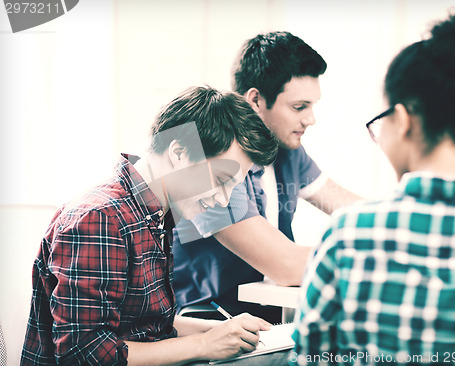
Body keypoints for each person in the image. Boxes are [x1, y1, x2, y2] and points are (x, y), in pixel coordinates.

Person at [21, 86, 292, 365]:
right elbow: (85, 353)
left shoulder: (155, 215)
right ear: (179, 152)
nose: (224, 199)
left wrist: (222, 332)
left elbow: (147, 329)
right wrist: (204, 344)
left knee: (287, 354)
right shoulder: (99, 218)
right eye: (221, 180)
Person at [290, 13, 455, 365]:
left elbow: (311, 357)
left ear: (402, 121)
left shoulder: (348, 236)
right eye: (301, 107)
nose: (310, 119)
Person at [172, 32, 360, 321]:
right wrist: (378, 249)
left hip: (268, 319)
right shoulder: (216, 162)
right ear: (256, 100)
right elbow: (285, 265)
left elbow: (353, 209)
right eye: (299, 107)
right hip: (212, 322)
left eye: (312, 105)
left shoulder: (288, 150)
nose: (311, 119)